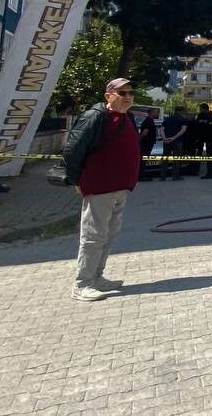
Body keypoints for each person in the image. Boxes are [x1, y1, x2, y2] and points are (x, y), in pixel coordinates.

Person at [63, 78, 141, 301]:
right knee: (93, 237)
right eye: (122, 93)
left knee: (108, 235)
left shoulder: (127, 117)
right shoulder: (95, 117)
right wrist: (76, 180)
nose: (127, 97)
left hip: (120, 187)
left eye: (130, 93)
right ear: (109, 96)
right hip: (99, 187)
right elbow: (73, 150)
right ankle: (83, 284)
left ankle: (97, 277)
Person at [161, 106, 188, 181]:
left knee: (165, 159)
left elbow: (162, 129)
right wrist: (174, 138)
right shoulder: (183, 119)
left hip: (167, 141)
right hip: (177, 141)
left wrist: (164, 138)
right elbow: (183, 130)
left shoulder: (167, 119)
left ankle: (162, 176)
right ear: (181, 111)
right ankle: (175, 176)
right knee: (176, 159)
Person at [137, 107, 161, 182]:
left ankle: (141, 175)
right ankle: (141, 176)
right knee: (143, 160)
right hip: (146, 144)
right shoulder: (149, 121)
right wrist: (138, 141)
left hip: (147, 143)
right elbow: (144, 133)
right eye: (156, 112)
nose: (158, 114)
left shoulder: (149, 120)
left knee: (143, 160)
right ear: (152, 112)